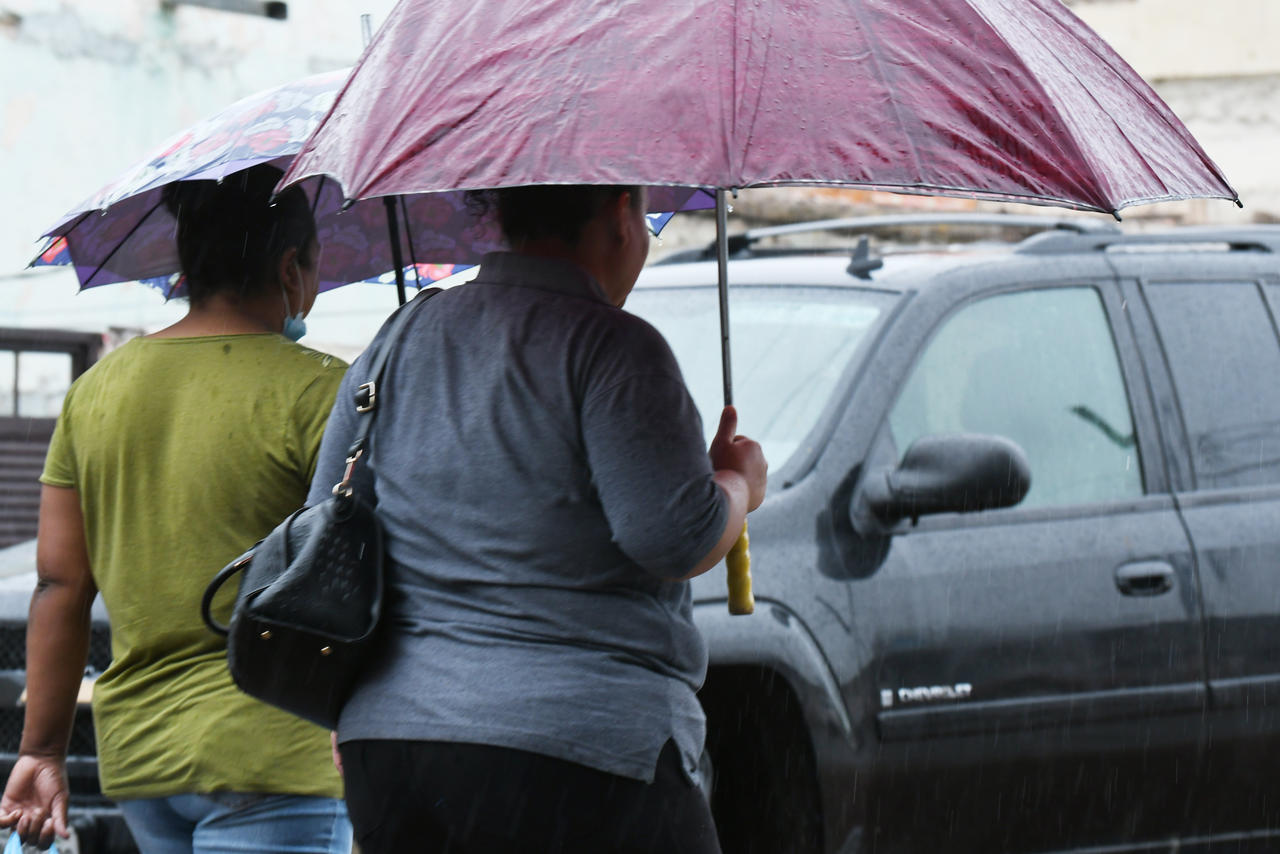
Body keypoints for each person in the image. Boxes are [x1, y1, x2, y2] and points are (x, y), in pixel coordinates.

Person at [314, 184, 768, 853]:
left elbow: (329, 528)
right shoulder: (616, 348)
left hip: (396, 750)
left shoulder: (397, 342)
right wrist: (736, 484)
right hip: (578, 752)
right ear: (620, 214)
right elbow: (673, 538)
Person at [0, 164, 352, 853]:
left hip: (143, 760)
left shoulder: (98, 391)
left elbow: (61, 585)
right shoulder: (326, 393)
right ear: (291, 270)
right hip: (277, 751)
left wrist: (40, 751)